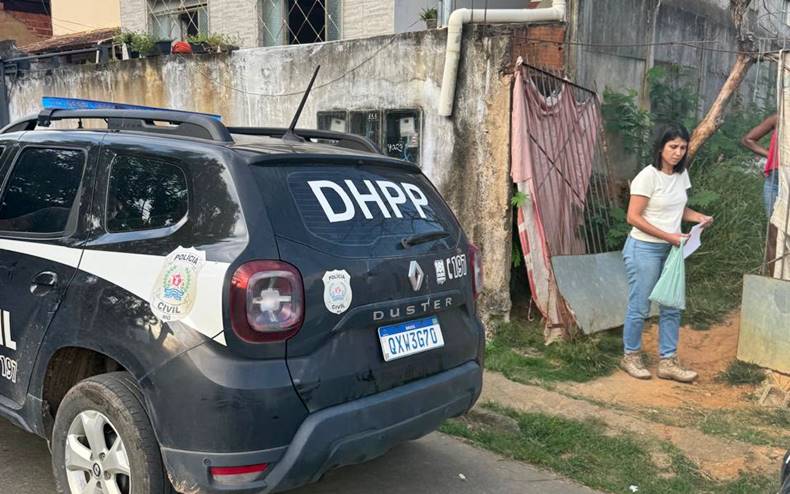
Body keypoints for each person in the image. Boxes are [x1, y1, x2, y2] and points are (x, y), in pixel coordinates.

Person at [621, 123, 713, 382]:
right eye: (673, 146)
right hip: (644, 248)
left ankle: (668, 361)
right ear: (660, 147)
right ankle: (630, 356)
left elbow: (677, 209)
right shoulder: (647, 176)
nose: (678, 152)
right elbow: (633, 217)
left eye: (683, 147)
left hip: (672, 249)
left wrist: (699, 217)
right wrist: (669, 236)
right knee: (640, 306)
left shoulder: (681, 175)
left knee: (672, 305)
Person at [741, 114, 779, 274]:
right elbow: (748, 140)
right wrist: (772, 156)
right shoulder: (779, 118)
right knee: (774, 234)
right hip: (775, 183)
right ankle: (776, 282)